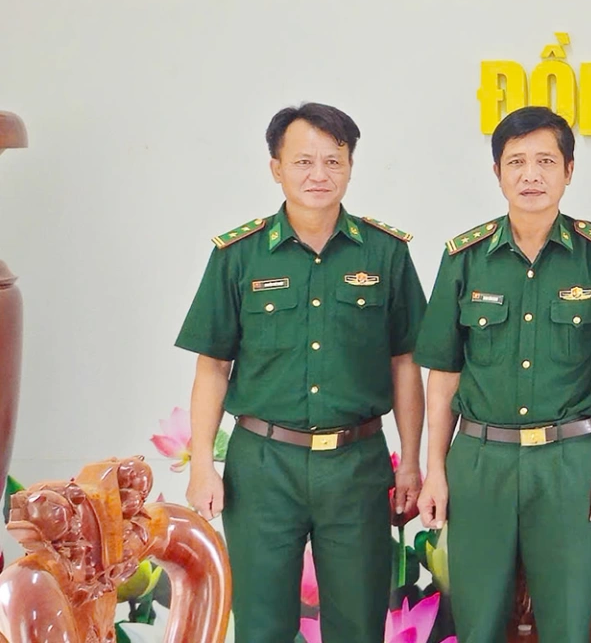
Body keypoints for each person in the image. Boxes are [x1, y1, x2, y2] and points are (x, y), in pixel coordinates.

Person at [175, 103, 426, 643]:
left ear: (351, 166)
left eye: (333, 161)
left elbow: (406, 362)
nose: (319, 175)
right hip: (263, 465)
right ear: (276, 168)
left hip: (357, 464)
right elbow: (213, 366)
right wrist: (202, 464)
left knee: (359, 624)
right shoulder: (238, 256)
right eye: (304, 161)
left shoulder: (386, 253)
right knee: (262, 625)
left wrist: (410, 463)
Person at [414, 106, 591, 643]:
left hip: (568, 465)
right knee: (477, 623)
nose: (531, 175)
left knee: (567, 623)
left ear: (569, 170)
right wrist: (435, 468)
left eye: (546, 160)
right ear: (496, 172)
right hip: (480, 461)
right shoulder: (464, 257)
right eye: (516, 161)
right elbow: (444, 372)